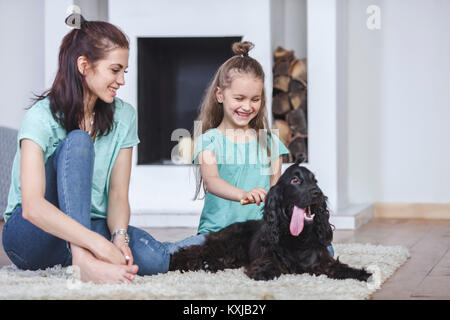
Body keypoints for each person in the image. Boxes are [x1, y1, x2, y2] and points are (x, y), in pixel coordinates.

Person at [1, 15, 203, 284]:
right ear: (84, 65)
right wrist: (96, 245)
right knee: (78, 142)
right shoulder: (41, 117)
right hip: (32, 236)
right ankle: (83, 260)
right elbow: (33, 208)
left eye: (125, 71)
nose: (121, 80)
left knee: (153, 259)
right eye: (115, 70)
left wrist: (118, 238)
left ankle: (226, 240)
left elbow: (118, 194)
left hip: (86, 225)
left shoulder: (124, 117)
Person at [193, 41, 334, 257]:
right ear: (220, 95)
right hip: (217, 234)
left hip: (259, 235)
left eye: (255, 99)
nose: (247, 106)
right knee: (176, 255)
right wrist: (244, 194)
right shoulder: (209, 140)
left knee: (326, 251)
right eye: (239, 98)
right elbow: (212, 182)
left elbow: (278, 192)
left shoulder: (270, 143)